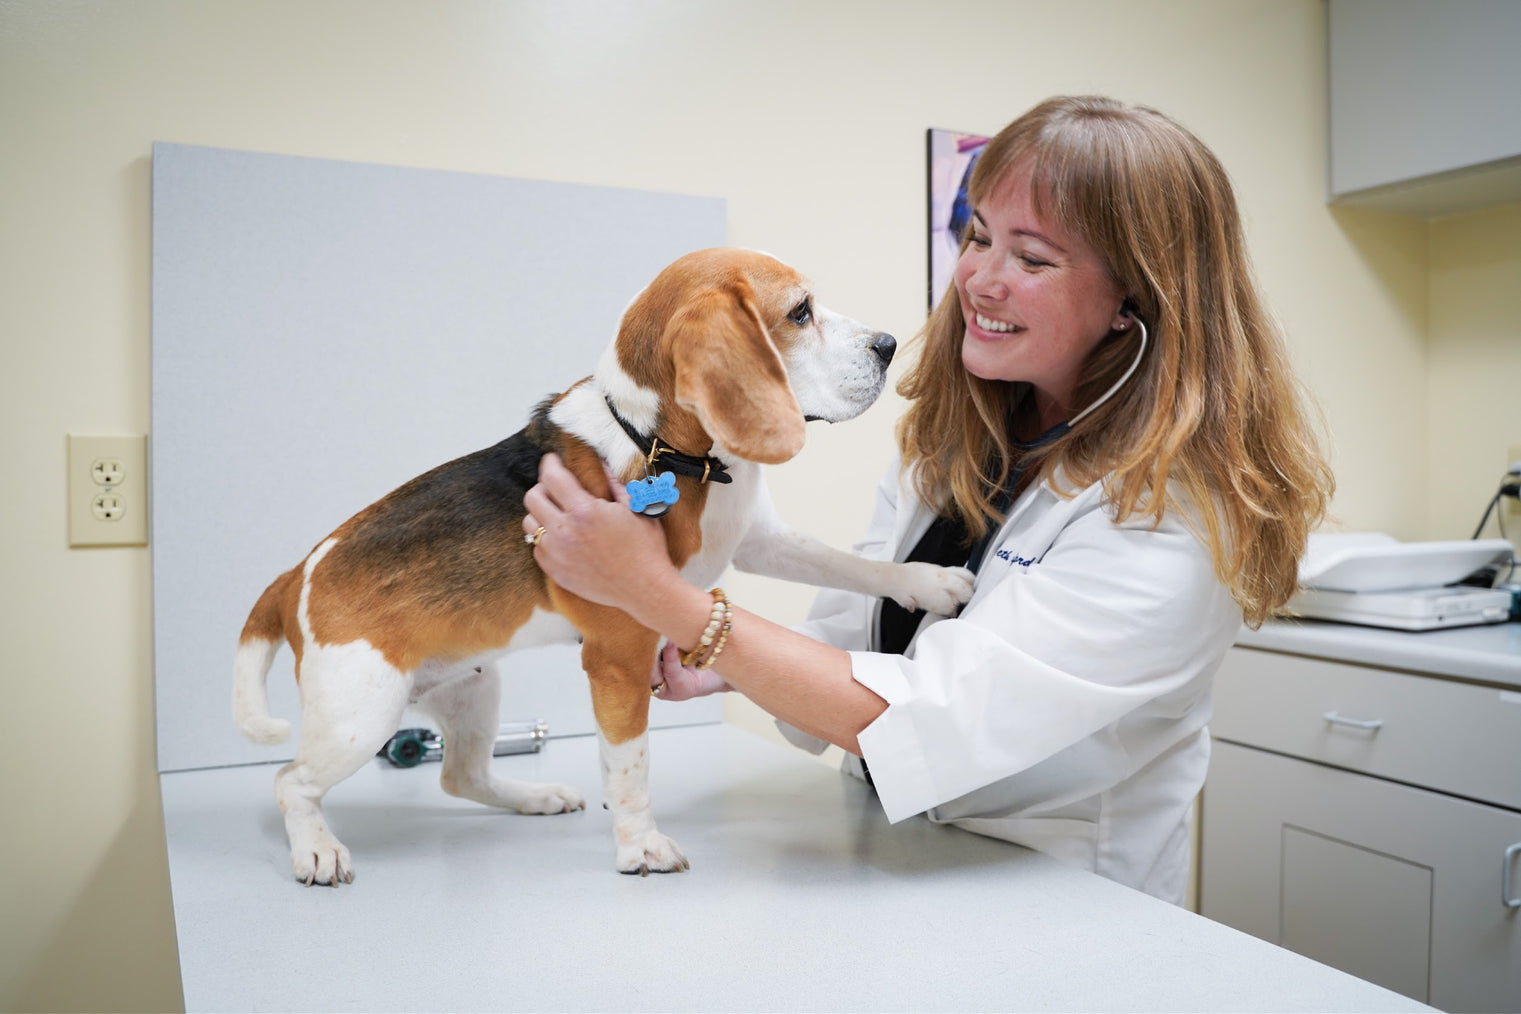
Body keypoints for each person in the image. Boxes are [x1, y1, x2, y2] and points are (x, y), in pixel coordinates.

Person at [521, 94, 1333, 904]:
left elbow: (932, 715)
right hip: (885, 855)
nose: (979, 279)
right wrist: (726, 671)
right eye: (977, 236)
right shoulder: (955, 445)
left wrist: (658, 595)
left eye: (1031, 258)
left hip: (1056, 894)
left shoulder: (1172, 517)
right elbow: (855, 639)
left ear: (1135, 300)